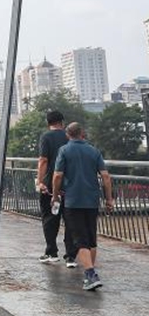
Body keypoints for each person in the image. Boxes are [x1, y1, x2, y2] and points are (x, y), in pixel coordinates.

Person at [52, 122, 114, 292]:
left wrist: (56, 195)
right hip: (92, 200)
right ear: (82, 134)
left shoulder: (64, 150)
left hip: (73, 200)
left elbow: (58, 175)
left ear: (68, 135)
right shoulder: (94, 151)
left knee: (80, 240)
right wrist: (109, 199)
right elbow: (106, 176)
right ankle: (90, 275)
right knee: (91, 238)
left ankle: (91, 273)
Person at [36, 109, 76, 266]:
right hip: (70, 185)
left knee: (49, 218)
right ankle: (71, 255)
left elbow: (43, 160)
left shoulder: (46, 137)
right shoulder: (69, 136)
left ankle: (52, 252)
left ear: (48, 123)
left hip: (50, 185)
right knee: (70, 219)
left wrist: (40, 181)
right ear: (62, 122)